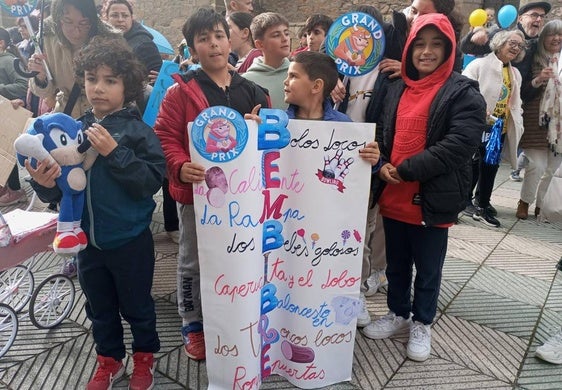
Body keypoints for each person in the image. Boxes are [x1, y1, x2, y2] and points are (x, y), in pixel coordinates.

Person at [25, 36, 164, 390]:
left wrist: (116, 152)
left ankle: (144, 358)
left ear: (127, 85)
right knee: (99, 309)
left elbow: (149, 181)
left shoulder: (138, 131)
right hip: (87, 243)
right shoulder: (72, 131)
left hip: (130, 241)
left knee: (137, 308)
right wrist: (43, 183)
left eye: (110, 80)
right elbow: (64, 187)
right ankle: (109, 359)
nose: (98, 88)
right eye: (91, 78)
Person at [361, 14, 486, 363]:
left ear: (448, 50)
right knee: (396, 265)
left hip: (431, 200)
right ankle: (398, 312)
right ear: (409, 49)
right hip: (393, 195)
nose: (426, 52)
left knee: (428, 269)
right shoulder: (397, 88)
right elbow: (381, 133)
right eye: (419, 44)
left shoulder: (462, 92)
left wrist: (405, 169)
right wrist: (382, 161)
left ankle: (422, 321)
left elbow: (460, 144)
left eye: (435, 44)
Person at [153, 7, 269, 362]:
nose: (214, 44)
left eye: (219, 35)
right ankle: (192, 322)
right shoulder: (180, 92)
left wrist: (261, 129)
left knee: (243, 254)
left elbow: (272, 142)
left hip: (245, 197)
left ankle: (238, 311)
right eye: (204, 39)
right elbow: (164, 135)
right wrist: (179, 164)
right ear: (192, 48)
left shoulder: (255, 91)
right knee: (192, 260)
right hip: (197, 196)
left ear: (230, 39)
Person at [462, 30, 525, 227]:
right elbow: (463, 90)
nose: (516, 48)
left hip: (499, 129)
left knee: (491, 166)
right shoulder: (479, 65)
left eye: (519, 45)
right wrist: (479, 110)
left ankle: (482, 204)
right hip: (477, 125)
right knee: (470, 164)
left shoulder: (514, 73)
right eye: (512, 43)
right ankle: (463, 202)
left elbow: (515, 101)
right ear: (499, 43)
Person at [27, 0, 123, 119]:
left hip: (104, 118)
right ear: (57, 19)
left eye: (84, 23)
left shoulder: (110, 40)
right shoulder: (47, 38)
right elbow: (44, 93)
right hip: (66, 117)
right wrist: (40, 77)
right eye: (68, 22)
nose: (76, 32)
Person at [516, 20, 562, 220]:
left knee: (552, 169)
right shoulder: (533, 60)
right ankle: (525, 201)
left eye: (560, 35)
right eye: (552, 34)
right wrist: (538, 80)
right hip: (536, 122)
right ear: (544, 38)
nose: (556, 38)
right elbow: (523, 91)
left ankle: (541, 205)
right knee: (537, 165)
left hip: (559, 126)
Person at [0, 27, 30, 207]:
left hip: (9, 114)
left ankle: (15, 190)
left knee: (7, 151)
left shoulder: (9, 61)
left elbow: (23, 86)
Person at [102, 0, 162, 83]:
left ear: (131, 18)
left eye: (125, 15)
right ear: (106, 18)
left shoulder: (144, 44)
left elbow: (158, 80)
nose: (120, 20)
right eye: (115, 15)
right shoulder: (104, 42)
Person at [242, 12, 290, 109]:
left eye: (286, 33)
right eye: (276, 35)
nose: (285, 39)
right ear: (259, 44)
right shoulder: (246, 81)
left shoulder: (300, 74)